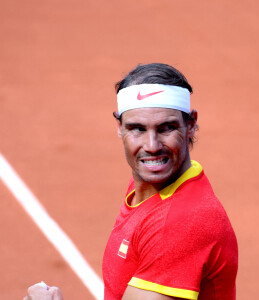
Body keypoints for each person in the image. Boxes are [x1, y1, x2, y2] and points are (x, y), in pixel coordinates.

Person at [24, 63, 238, 300]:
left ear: (190, 124)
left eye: (166, 128)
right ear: (119, 128)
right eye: (137, 129)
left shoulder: (180, 221)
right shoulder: (152, 188)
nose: (152, 146)